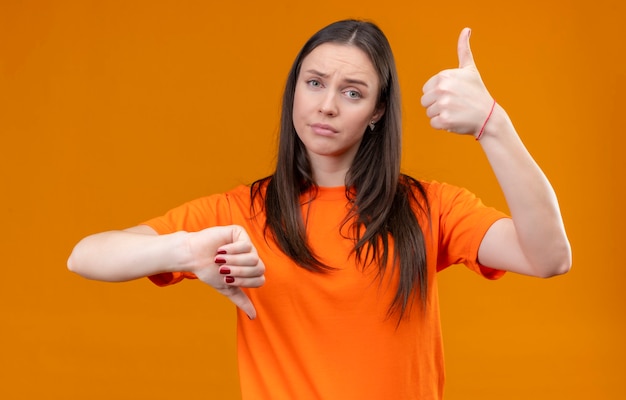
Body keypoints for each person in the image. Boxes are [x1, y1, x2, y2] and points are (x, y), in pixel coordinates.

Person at [68, 19, 571, 400]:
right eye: (314, 83)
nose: (327, 105)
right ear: (294, 92)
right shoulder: (242, 213)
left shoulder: (428, 207)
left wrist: (494, 125)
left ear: (377, 112)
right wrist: (185, 251)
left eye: (352, 92)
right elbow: (86, 256)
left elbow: (549, 256)